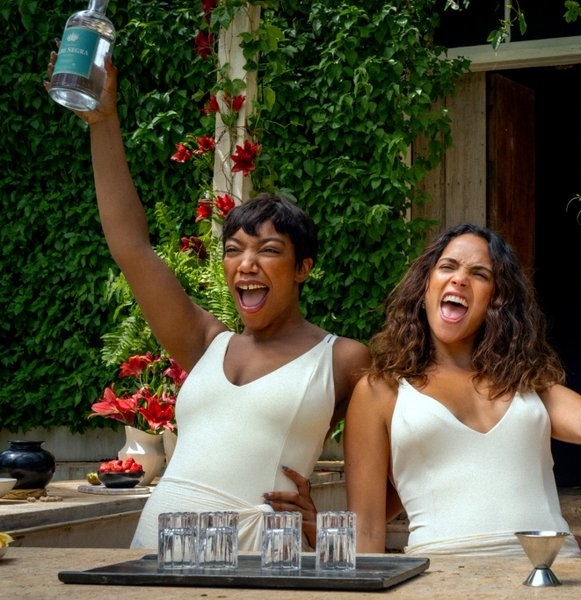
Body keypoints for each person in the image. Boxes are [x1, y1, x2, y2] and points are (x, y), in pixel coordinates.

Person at [46, 56, 371, 550]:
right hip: (154, 547)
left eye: (268, 251)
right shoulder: (205, 342)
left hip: (257, 558)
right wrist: (103, 122)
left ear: (304, 267)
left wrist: (323, 526)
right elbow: (130, 247)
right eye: (235, 250)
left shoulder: (344, 359)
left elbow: (396, 472)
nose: (246, 264)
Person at [345, 224, 581, 556]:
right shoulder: (381, 391)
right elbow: (367, 529)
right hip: (440, 579)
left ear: (495, 300)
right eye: (448, 267)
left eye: (479, 274)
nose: (459, 279)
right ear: (424, 286)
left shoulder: (523, 379)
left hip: (549, 574)